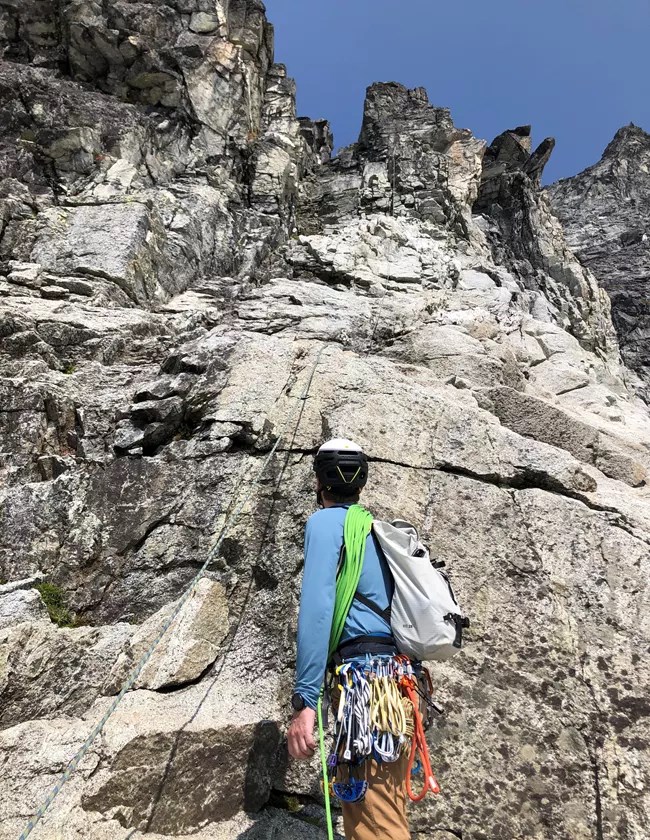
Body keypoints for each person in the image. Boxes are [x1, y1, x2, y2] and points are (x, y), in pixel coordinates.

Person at [287, 438, 411, 840]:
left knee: (377, 825)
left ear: (318, 482)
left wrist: (306, 700)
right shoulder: (375, 531)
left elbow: (318, 609)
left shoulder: (325, 524)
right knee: (372, 816)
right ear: (363, 482)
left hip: (365, 693)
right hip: (394, 687)